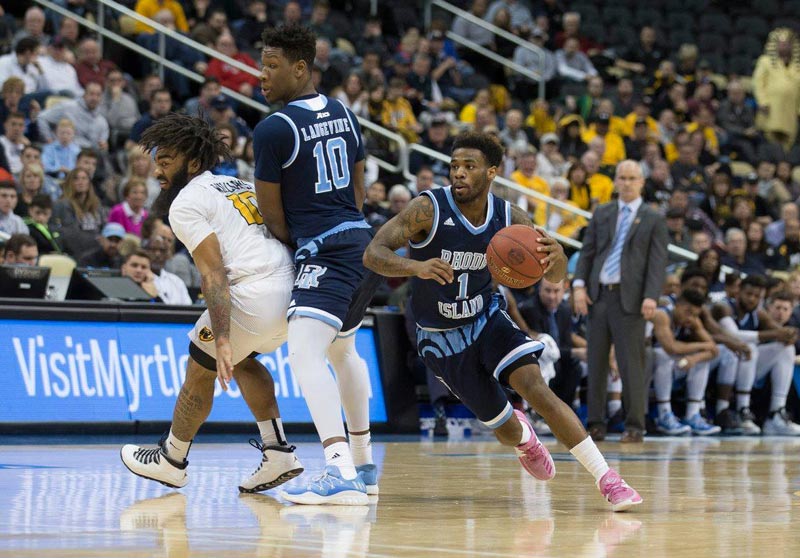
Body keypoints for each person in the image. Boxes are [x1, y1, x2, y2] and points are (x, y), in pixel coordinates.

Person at [364, 131, 642, 512]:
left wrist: (557, 256)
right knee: (505, 427)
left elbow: (555, 275)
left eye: (469, 166)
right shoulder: (427, 209)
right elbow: (374, 253)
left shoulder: (510, 218)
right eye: (454, 166)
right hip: (441, 339)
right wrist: (417, 266)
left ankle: (608, 479)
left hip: (487, 319)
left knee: (536, 388)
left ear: (491, 172)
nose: (458, 173)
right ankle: (524, 437)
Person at [121, 113, 305, 492]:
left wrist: (222, 336)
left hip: (253, 293)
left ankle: (172, 458)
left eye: (166, 161)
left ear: (191, 162)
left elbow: (213, 273)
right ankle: (278, 453)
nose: (158, 171)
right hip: (293, 293)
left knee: (200, 366)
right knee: (243, 362)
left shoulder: (186, 202)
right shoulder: (237, 183)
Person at [254, 25, 379, 505]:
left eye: (271, 65)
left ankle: (338, 470)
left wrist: (305, 246)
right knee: (342, 352)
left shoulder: (273, 128)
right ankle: (364, 466)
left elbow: (271, 214)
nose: (262, 75)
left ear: (300, 68)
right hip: (362, 244)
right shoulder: (345, 113)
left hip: (326, 251)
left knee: (305, 353)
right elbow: (360, 187)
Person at [573, 160, 669, 443]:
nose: (626, 183)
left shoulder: (654, 218)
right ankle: (596, 424)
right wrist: (578, 285)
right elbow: (587, 252)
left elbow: (657, 262)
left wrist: (651, 296)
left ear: (641, 182)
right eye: (622, 178)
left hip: (632, 300)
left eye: (632, 178)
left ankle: (635, 425)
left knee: (632, 364)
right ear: (615, 181)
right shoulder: (602, 212)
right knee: (596, 361)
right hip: (599, 294)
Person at [711, 275, 800, 435]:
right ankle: (741, 409)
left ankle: (776, 414)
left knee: (786, 348)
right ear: (738, 292)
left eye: (757, 296)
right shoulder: (723, 307)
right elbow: (734, 335)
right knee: (748, 347)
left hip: (745, 369)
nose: (752, 299)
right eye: (749, 294)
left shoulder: (757, 313)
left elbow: (778, 331)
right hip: (718, 367)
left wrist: (788, 334)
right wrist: (773, 334)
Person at [649, 289, 721, 436]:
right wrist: (701, 347)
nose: (691, 318)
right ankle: (664, 414)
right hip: (646, 368)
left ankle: (693, 415)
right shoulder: (662, 315)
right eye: (688, 312)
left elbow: (713, 349)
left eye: (695, 314)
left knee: (701, 361)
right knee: (663, 354)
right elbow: (671, 347)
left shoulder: (693, 320)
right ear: (678, 305)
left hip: (669, 368)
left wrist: (694, 358)